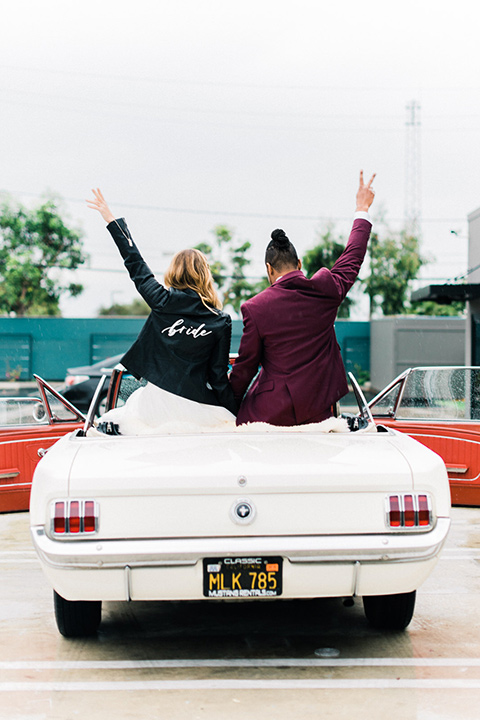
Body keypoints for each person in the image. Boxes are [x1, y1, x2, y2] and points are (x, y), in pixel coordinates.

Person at [229, 170, 376, 427]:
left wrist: (224, 405)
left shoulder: (255, 308)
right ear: (299, 263)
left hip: (269, 416)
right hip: (320, 414)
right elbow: (353, 256)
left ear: (268, 269)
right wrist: (361, 208)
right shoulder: (325, 290)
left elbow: (245, 369)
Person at [86, 189, 236, 434]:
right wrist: (237, 412)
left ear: (173, 272)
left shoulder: (162, 301)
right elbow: (218, 376)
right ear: (205, 275)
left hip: (155, 407)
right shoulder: (220, 321)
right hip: (198, 408)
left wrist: (112, 221)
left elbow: (135, 264)